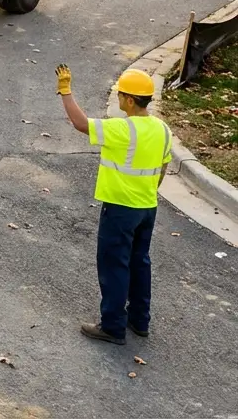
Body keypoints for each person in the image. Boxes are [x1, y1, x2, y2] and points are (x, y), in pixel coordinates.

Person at [55, 64, 172, 345]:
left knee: (114, 265)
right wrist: (148, 192)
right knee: (139, 262)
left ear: (130, 100)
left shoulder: (122, 129)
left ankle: (112, 326)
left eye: (120, 94)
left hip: (120, 209)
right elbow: (164, 167)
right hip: (147, 207)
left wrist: (65, 91)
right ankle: (139, 320)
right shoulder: (163, 129)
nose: (118, 98)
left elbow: (81, 124)